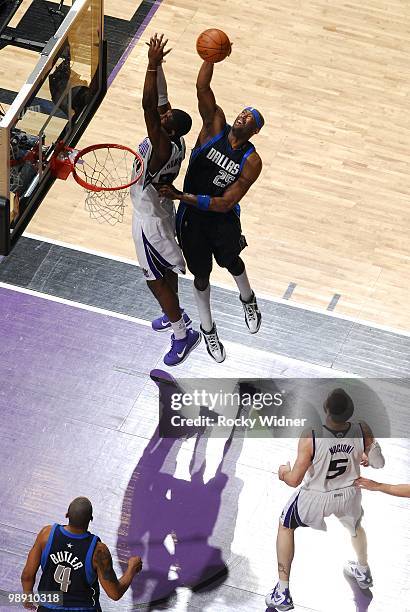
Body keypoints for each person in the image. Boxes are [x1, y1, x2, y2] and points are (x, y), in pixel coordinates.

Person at [158, 54, 263, 363]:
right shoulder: (214, 125)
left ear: (255, 131)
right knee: (201, 277)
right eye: (243, 113)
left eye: (251, 119)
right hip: (192, 220)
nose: (244, 117)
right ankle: (208, 330)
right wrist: (210, 57)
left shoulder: (252, 160)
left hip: (221, 217)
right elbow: (202, 86)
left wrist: (181, 196)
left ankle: (248, 299)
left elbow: (226, 202)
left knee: (232, 261)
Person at [265, 388, 386, 611]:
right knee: (356, 527)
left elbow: (293, 480)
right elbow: (378, 463)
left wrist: (283, 471)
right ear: (351, 411)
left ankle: (282, 591)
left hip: (316, 497)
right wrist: (368, 452)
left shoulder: (311, 435)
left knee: (285, 525)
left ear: (325, 409)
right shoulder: (362, 429)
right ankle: (363, 571)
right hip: (349, 494)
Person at [130, 33, 201, 366]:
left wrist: (149, 66)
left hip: (150, 222)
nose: (160, 118)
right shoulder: (176, 139)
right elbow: (161, 99)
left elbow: (148, 105)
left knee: (154, 282)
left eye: (164, 121)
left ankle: (181, 334)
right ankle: (176, 315)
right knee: (166, 271)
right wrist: (158, 65)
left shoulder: (161, 146)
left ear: (169, 132)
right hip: (161, 213)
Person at [20, 497, 142, 611]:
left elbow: (27, 575)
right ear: (91, 519)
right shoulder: (98, 551)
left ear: (67, 515)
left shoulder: (46, 535)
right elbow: (114, 593)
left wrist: (27, 598)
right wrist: (131, 569)